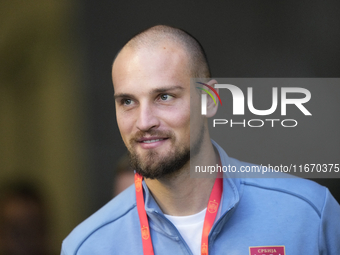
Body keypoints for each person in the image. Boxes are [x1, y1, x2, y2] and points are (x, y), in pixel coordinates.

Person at [61, 25, 340, 255]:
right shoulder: (87, 247)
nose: (144, 121)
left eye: (164, 97)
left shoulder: (309, 214)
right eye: (127, 101)